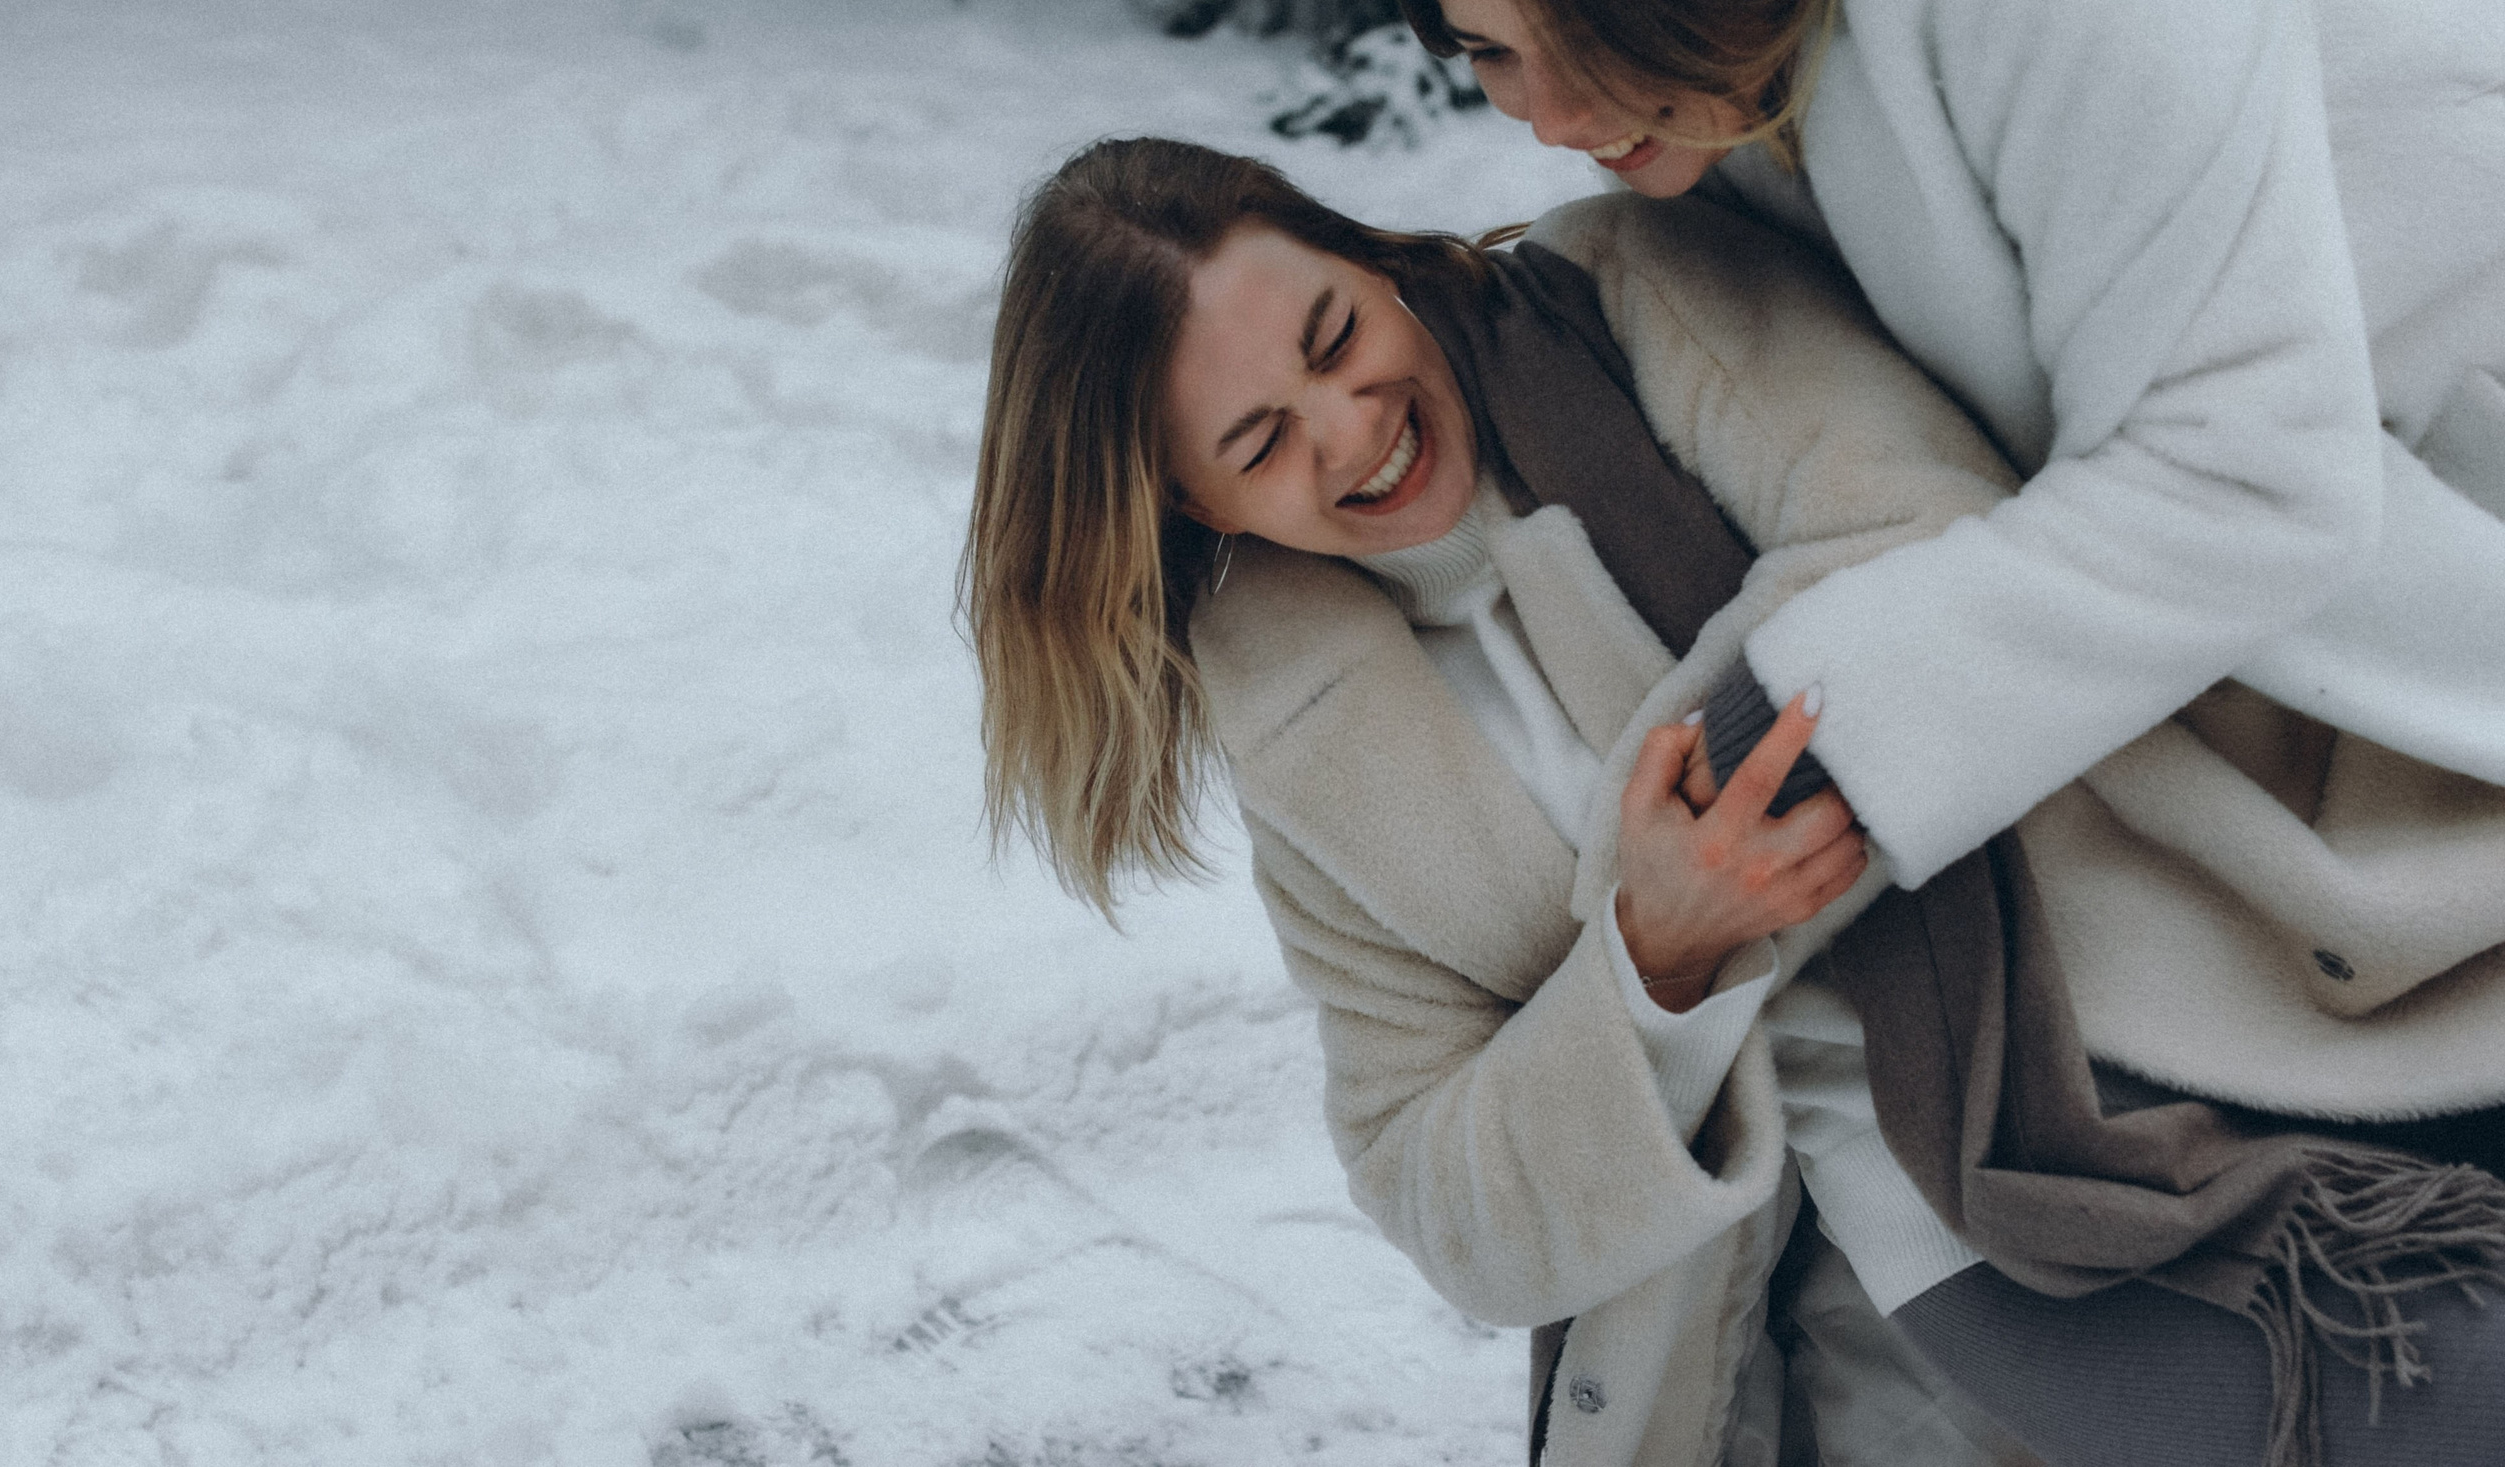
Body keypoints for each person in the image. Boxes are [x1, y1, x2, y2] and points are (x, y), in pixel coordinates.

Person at [963, 137, 2505, 1467]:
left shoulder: (1629, 303)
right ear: (1184, 499)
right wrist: (1650, 957)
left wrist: (1689, 848)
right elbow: (1446, 1196)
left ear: (1368, 257)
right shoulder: (1301, 738)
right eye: (1261, 441)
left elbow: (1930, 539)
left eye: (1333, 334)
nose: (1354, 424)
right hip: (1919, 1225)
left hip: (2168, 986)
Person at [1378, 0, 2505, 898]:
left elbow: (2248, 478)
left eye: (1587, 30)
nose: (1554, 119)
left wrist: (1781, 742)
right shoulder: (1732, 78)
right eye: (1490, 52)